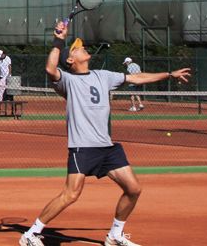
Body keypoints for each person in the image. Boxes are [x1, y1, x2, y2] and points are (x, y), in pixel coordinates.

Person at [18, 20, 191, 246]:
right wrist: (59, 40)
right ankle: (31, 233)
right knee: (71, 194)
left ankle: (114, 236)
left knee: (133, 189)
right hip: (83, 147)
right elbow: (50, 69)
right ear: (71, 60)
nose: (83, 48)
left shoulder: (103, 76)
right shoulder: (67, 81)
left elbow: (137, 78)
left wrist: (169, 74)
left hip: (106, 148)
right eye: (77, 48)